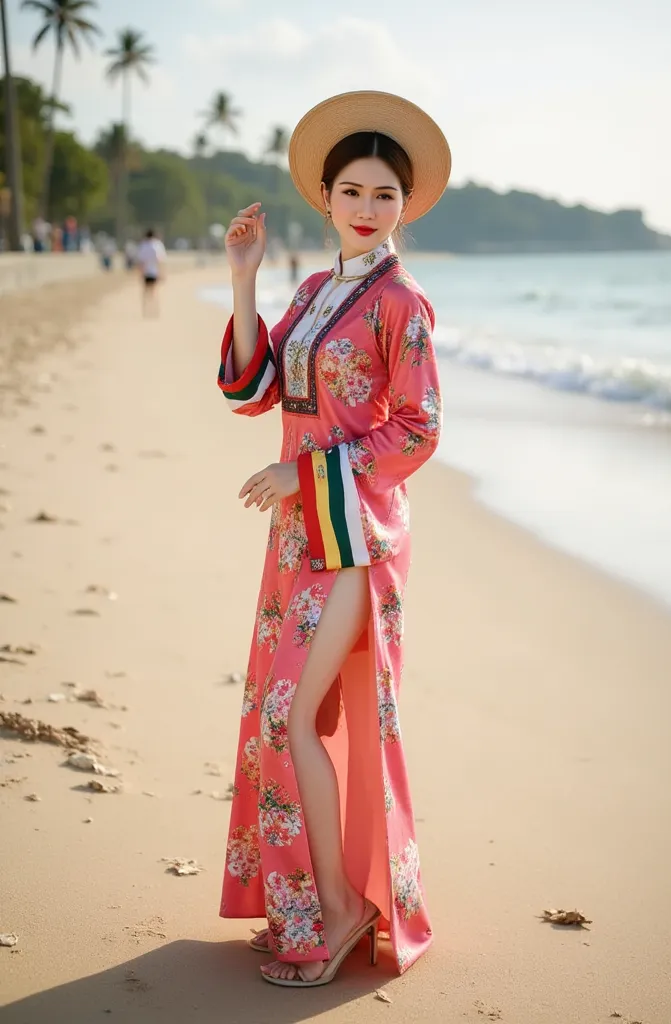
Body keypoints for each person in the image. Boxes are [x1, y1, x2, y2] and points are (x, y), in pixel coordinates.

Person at [217, 90, 451, 988]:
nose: (365, 207)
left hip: (354, 539)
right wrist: (244, 280)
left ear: (405, 204)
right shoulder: (315, 291)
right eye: (351, 191)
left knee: (287, 716)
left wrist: (305, 476)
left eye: (384, 194)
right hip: (291, 539)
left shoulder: (404, 302)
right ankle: (322, 905)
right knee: (292, 719)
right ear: (326, 198)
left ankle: (346, 911)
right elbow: (256, 387)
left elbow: (420, 430)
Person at [137, 228, 166, 315]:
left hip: (146, 272)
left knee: (145, 291)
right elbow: (160, 260)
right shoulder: (157, 245)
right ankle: (154, 310)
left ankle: (145, 310)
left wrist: (140, 273)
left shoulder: (143, 245)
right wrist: (162, 272)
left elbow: (141, 261)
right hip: (154, 271)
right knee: (154, 291)